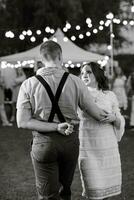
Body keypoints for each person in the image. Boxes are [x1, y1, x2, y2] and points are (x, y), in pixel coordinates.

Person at [16, 41, 108, 200]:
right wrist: (114, 115)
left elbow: (22, 122)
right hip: (70, 143)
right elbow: (98, 114)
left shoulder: (28, 84)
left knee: (48, 196)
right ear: (60, 56)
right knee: (65, 192)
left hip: (43, 143)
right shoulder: (75, 81)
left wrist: (55, 126)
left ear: (42, 58)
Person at [78, 62, 125, 200]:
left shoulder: (110, 95)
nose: (84, 75)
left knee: (107, 191)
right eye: (82, 73)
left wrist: (114, 118)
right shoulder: (80, 94)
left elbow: (119, 118)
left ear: (97, 74)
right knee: (93, 189)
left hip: (107, 146)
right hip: (88, 145)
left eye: (88, 72)